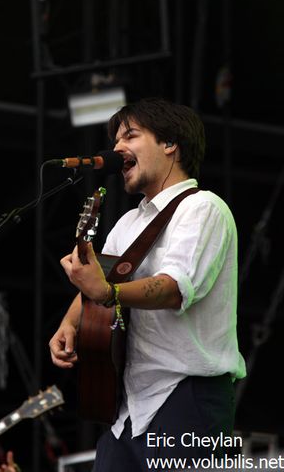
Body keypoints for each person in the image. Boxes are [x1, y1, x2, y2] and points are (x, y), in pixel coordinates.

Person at [49, 97, 246, 471]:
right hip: (129, 406)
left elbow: (173, 289)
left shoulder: (202, 208)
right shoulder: (127, 223)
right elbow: (98, 280)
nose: (117, 148)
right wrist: (69, 323)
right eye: (116, 139)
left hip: (189, 397)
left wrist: (108, 292)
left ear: (170, 143)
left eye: (130, 136)